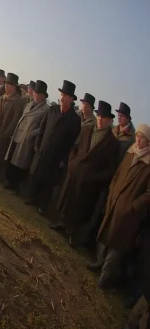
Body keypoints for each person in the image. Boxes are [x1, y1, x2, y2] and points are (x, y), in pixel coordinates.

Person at [52, 101, 120, 245]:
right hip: (76, 173)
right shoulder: (87, 129)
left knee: (82, 208)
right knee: (68, 198)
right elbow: (75, 147)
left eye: (104, 117)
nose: (100, 119)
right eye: (99, 116)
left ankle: (72, 233)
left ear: (110, 120)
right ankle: (62, 222)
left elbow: (110, 169)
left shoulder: (113, 143)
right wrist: (72, 163)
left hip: (90, 182)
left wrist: (94, 178)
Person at [93, 124, 150, 289]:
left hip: (129, 213)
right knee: (105, 236)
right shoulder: (130, 152)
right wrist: (112, 192)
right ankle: (98, 262)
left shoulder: (148, 163)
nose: (138, 140)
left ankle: (104, 279)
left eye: (143, 138)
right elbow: (117, 174)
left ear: (148, 141)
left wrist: (132, 207)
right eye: (137, 136)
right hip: (114, 204)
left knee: (116, 246)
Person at [25, 80, 82, 214]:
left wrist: (64, 159)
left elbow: (72, 141)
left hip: (57, 156)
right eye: (61, 94)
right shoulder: (53, 109)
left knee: (48, 181)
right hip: (43, 149)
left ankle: (43, 205)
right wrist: (37, 144)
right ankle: (31, 198)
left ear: (71, 99)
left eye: (65, 96)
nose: (62, 98)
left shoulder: (74, 119)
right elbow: (43, 127)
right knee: (36, 175)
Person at [5, 80, 49, 192]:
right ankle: (9, 182)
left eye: (38, 93)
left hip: (28, 139)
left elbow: (44, 127)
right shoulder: (29, 104)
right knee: (12, 158)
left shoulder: (46, 110)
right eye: (35, 92)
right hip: (18, 134)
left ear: (43, 96)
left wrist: (32, 133)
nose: (35, 95)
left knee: (21, 163)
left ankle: (16, 185)